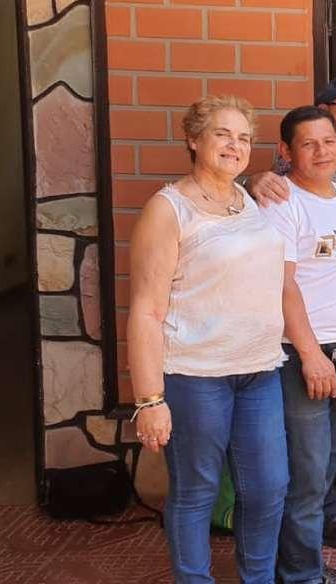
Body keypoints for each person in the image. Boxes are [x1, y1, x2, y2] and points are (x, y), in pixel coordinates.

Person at [126, 95, 288, 583]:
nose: (235, 145)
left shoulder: (249, 199)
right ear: (194, 140)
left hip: (260, 371)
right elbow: (146, 310)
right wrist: (149, 399)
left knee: (268, 488)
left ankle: (258, 578)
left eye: (244, 138)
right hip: (195, 375)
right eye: (222, 134)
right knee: (196, 492)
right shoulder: (168, 209)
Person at [249, 76, 336, 545]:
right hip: (306, 354)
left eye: (328, 142)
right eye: (309, 144)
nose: (322, 151)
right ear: (286, 152)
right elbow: (282, 283)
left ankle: (303, 554)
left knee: (335, 453)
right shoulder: (281, 202)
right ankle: (298, 566)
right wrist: (311, 356)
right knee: (307, 467)